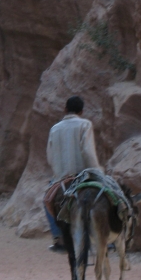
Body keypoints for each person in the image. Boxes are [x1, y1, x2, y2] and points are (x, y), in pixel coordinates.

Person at [45, 95, 102, 252]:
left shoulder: (54, 129)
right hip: (83, 176)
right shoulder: (85, 125)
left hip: (62, 178)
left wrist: (59, 173)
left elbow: (50, 156)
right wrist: (97, 172)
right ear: (82, 111)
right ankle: (106, 238)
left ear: (65, 109)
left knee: (47, 200)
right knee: (106, 197)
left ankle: (59, 238)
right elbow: (88, 152)